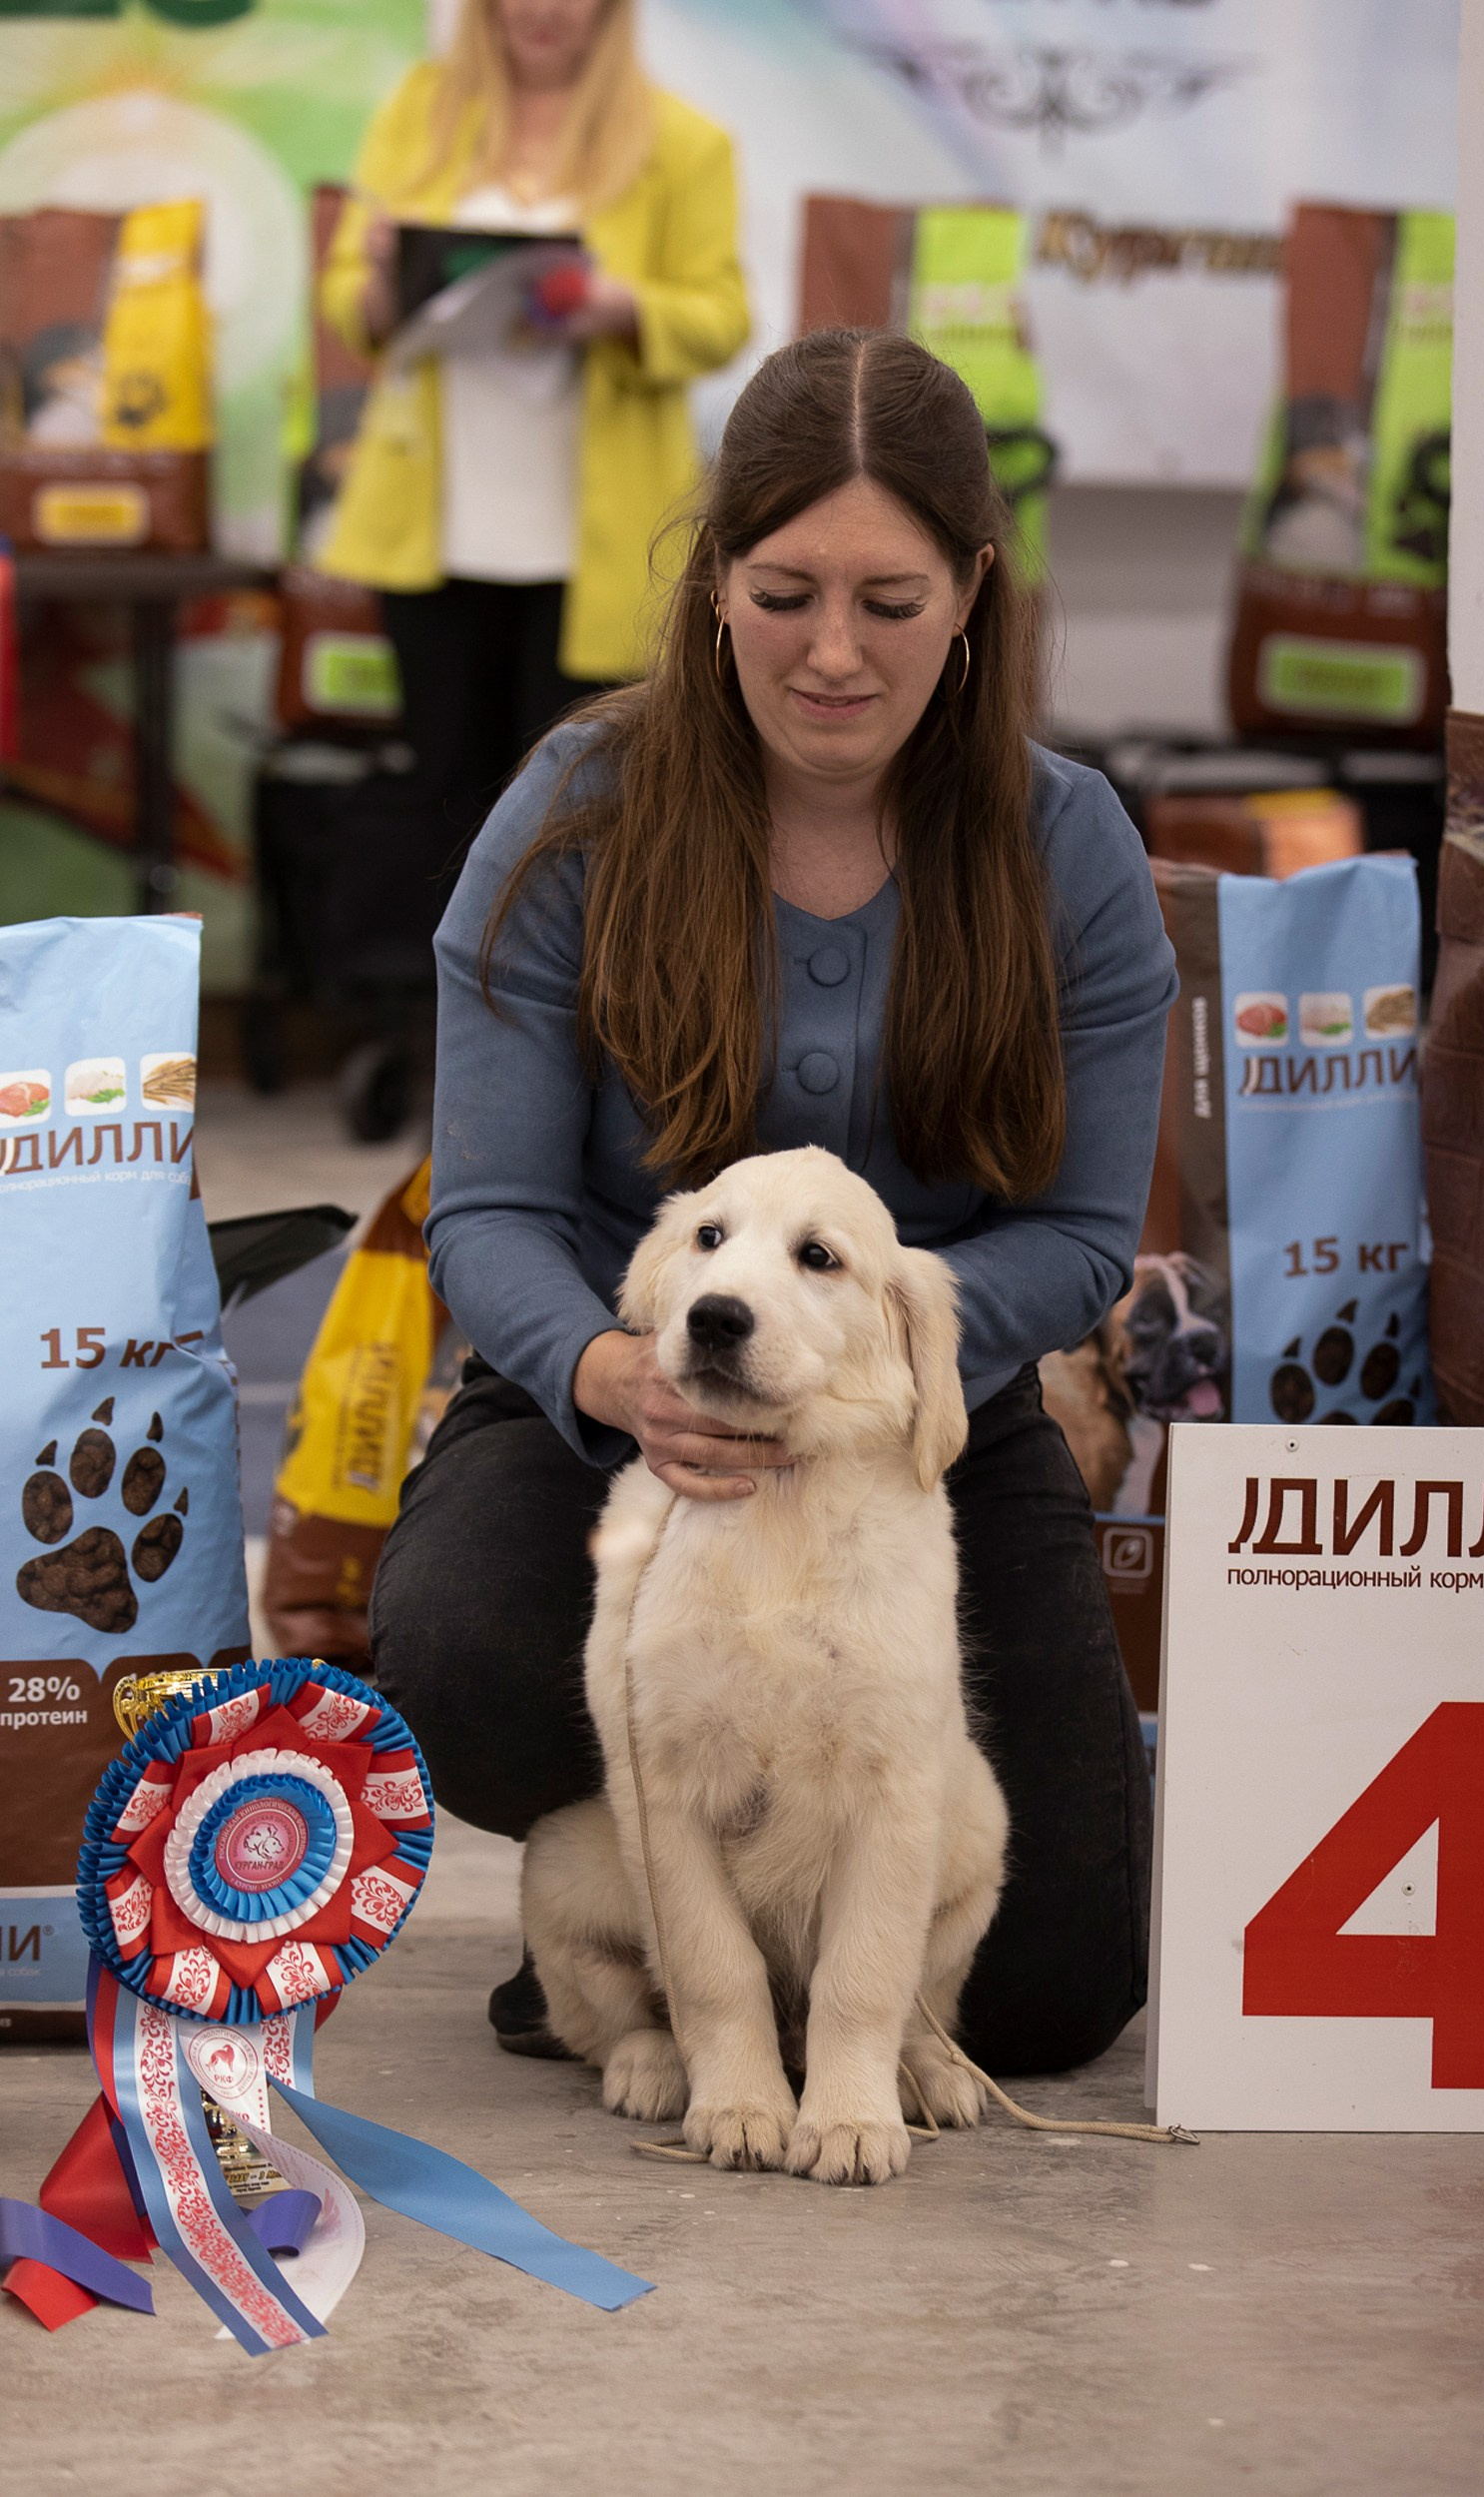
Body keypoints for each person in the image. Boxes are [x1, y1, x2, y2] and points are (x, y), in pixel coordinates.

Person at [370, 330, 1178, 2080]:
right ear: (712, 577)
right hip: (609, 1398)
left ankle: (740, 1921)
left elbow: (1082, 1239)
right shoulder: (568, 818)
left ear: (971, 590)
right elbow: (492, 1210)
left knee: (1049, 1990)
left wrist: (872, 1368)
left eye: (889, 600)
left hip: (919, 1414)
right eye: (784, 590)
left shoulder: (1072, 849)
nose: (832, 652)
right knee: (465, 1653)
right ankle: (636, 1928)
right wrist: (612, 1376)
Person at [319, 0, 749, 877]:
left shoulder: (682, 140)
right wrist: (380, 275)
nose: (543, 9)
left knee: (581, 816)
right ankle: (444, 1006)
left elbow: (722, 317)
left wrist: (618, 306)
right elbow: (345, 302)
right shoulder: (420, 109)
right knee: (439, 797)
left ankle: (576, 1013)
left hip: (593, 548)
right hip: (430, 530)